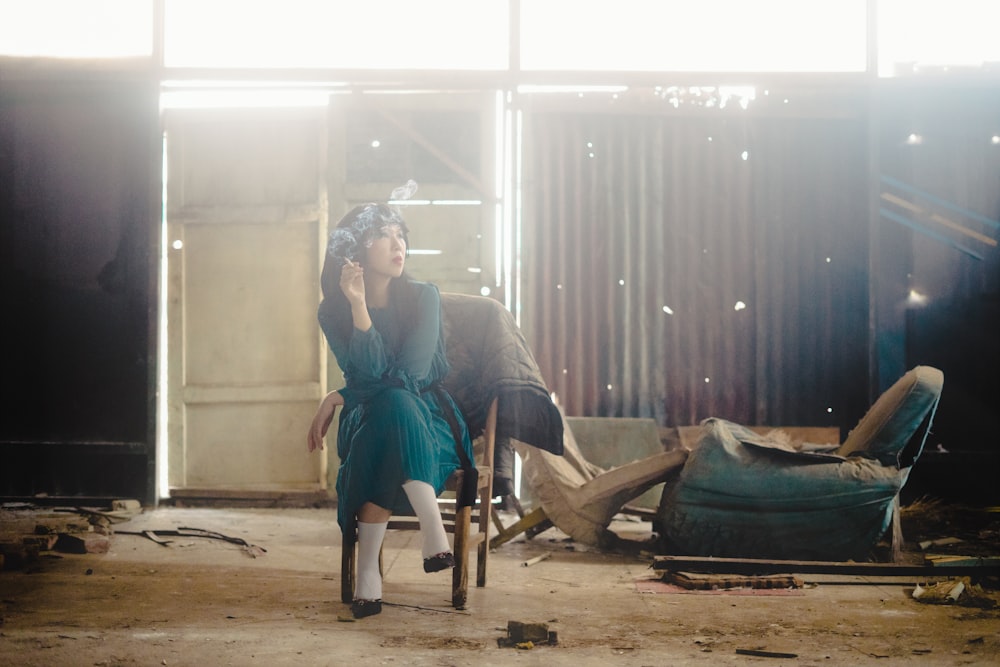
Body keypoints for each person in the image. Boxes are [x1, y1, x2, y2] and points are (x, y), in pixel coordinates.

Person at [307, 184, 472, 619]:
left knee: (396, 404)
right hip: (372, 417)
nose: (399, 244)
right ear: (357, 251)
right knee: (387, 409)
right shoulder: (333, 312)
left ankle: (368, 579)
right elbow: (368, 373)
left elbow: (411, 374)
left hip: (428, 417)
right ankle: (431, 527)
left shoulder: (424, 297)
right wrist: (359, 307)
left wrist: (340, 395)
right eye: (385, 235)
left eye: (401, 234)